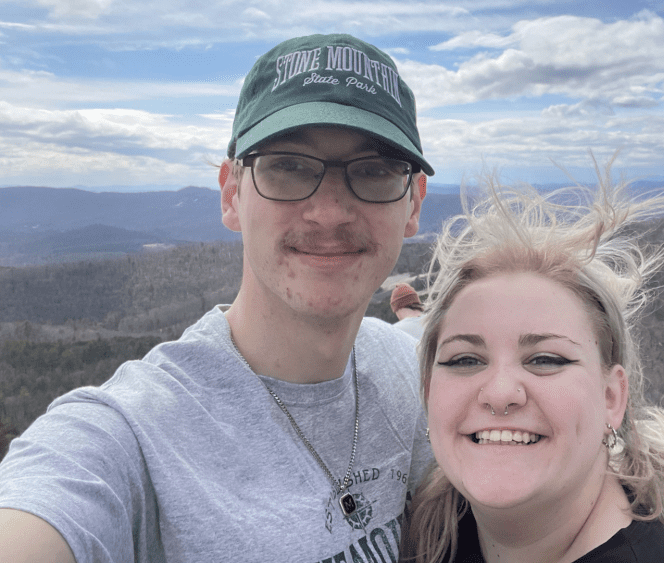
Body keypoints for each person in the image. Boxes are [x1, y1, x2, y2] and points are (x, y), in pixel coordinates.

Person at [0, 33, 435, 563]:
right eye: (288, 165)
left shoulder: (408, 370)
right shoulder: (133, 436)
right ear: (231, 194)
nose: (330, 213)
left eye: (374, 169)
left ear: (412, 204)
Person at [403, 164, 664, 562]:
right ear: (428, 391)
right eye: (464, 360)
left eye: (545, 359)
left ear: (611, 398)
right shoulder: (437, 529)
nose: (499, 394)